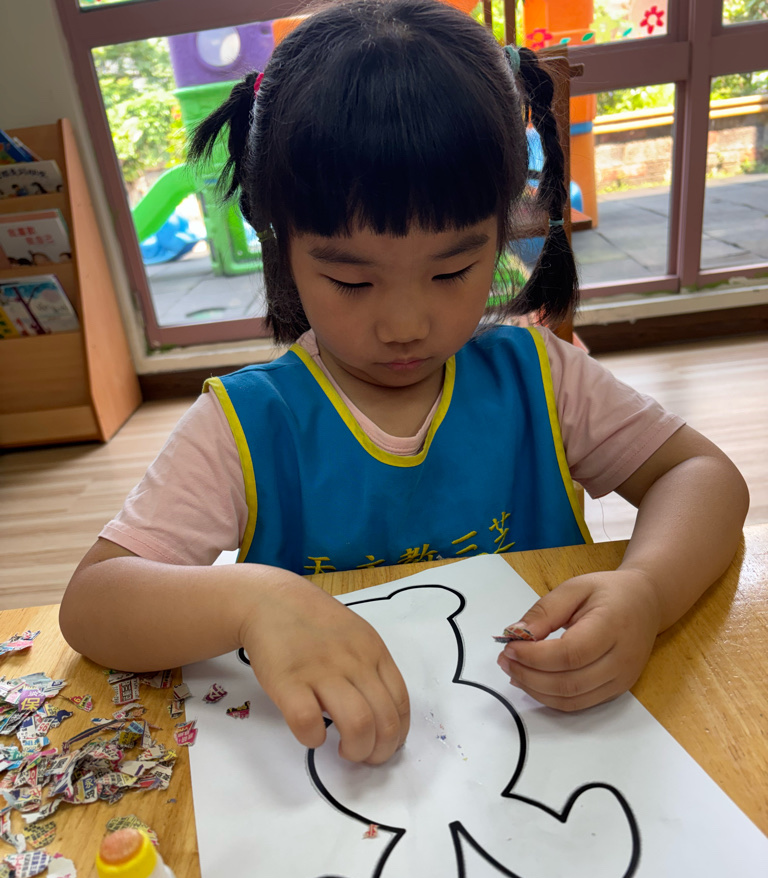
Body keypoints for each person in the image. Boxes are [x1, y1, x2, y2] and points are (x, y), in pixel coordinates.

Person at [59, 0, 748, 768]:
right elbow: (93, 603)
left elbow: (704, 476)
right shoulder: (248, 424)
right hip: (345, 775)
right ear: (281, 245)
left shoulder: (541, 378)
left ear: (505, 230)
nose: (405, 324)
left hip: (558, 748)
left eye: (453, 270)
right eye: (352, 280)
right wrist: (253, 600)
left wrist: (646, 590)